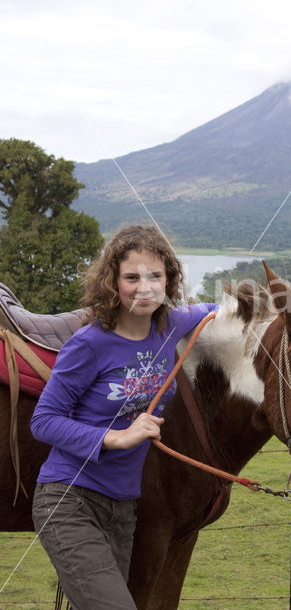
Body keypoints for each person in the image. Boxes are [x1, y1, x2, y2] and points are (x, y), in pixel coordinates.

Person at [31, 224, 217, 610]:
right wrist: (116, 437)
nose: (144, 287)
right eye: (132, 277)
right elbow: (43, 420)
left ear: (169, 281)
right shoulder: (90, 344)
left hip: (123, 509)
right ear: (113, 281)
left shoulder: (171, 328)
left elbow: (221, 309)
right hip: (70, 501)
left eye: (155, 276)